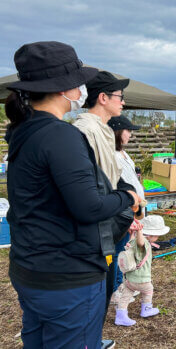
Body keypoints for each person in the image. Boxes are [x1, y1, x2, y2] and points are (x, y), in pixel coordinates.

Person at [4, 41, 140, 349]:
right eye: (78, 79)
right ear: (63, 87)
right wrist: (128, 198)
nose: (82, 87)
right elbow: (89, 206)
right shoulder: (61, 135)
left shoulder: (22, 131)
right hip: (67, 276)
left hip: (30, 268)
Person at [73, 71, 132, 349]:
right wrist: (124, 199)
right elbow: (92, 186)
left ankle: (93, 340)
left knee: (105, 286)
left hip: (109, 219)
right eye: (120, 97)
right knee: (95, 289)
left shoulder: (104, 130)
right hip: (97, 223)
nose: (123, 102)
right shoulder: (84, 130)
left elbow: (111, 177)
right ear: (103, 97)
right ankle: (87, 342)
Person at [108, 115, 145, 303]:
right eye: (128, 130)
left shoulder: (123, 153)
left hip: (133, 208)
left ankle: (121, 283)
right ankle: (115, 290)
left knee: (125, 248)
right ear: (117, 132)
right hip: (123, 210)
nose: (130, 134)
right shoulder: (111, 155)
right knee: (117, 251)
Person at [115, 215, 169, 326]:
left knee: (126, 295)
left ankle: (120, 315)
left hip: (129, 278)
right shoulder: (143, 243)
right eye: (157, 236)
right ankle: (146, 309)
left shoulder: (132, 240)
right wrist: (139, 231)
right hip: (141, 279)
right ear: (151, 235)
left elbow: (132, 242)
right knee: (148, 290)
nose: (157, 238)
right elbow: (141, 243)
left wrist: (133, 233)